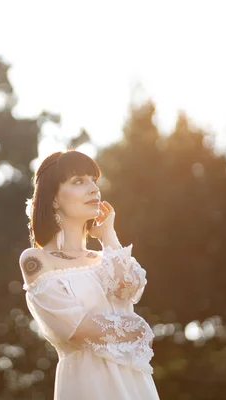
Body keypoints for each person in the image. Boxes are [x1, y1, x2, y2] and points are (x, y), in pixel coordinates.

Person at [19, 150, 160, 399]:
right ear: (53, 199)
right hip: (88, 383)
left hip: (135, 384)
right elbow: (75, 328)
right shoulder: (36, 260)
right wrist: (135, 328)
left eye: (93, 180)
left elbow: (126, 288)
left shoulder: (105, 258)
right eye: (78, 181)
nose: (94, 188)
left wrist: (108, 236)